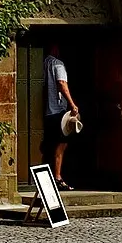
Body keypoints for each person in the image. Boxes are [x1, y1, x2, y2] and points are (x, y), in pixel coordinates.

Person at [43, 45, 83, 186]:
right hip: (58, 110)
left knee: (50, 144)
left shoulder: (44, 63)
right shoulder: (58, 64)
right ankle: (57, 177)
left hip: (47, 110)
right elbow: (62, 83)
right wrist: (72, 105)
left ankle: (50, 176)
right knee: (61, 145)